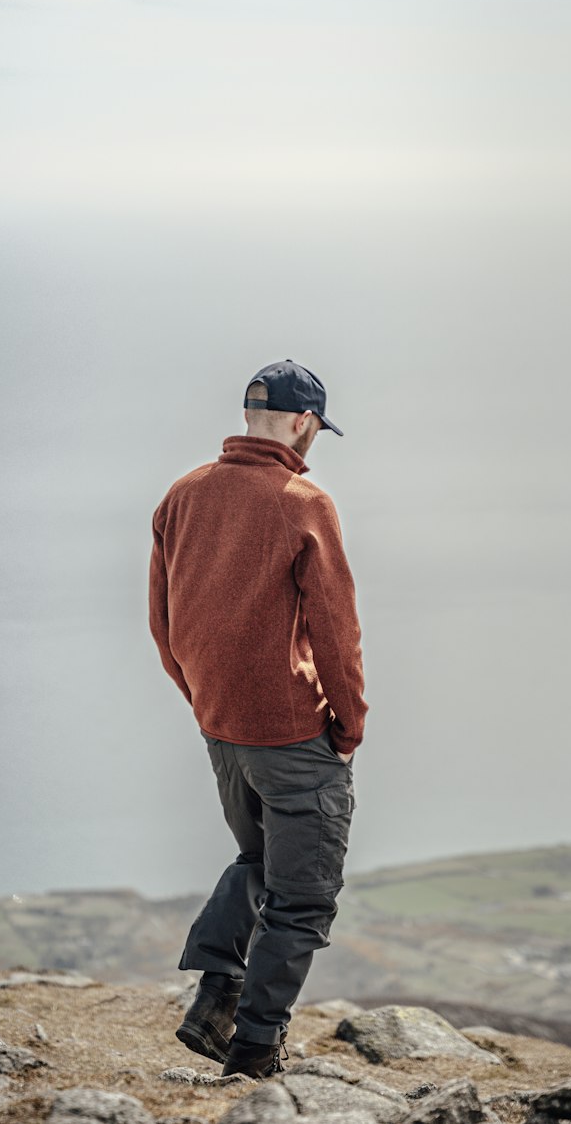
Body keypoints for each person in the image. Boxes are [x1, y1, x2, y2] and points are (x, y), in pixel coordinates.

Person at [148, 358, 369, 1079]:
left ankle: (216, 993)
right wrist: (348, 725)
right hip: (290, 734)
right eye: (316, 430)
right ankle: (251, 1054)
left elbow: (164, 623)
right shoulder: (302, 500)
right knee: (302, 897)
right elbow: (337, 630)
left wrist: (204, 700)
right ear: (304, 424)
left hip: (221, 729)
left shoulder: (182, 495)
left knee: (258, 862)